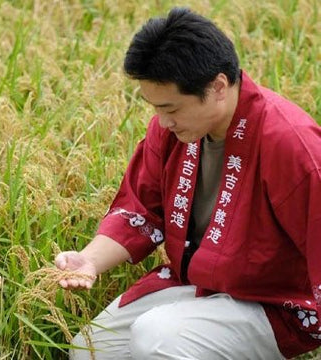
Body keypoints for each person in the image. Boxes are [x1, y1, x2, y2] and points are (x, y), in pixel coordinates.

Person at [54, 7, 321, 360]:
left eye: (172, 108)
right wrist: (89, 260)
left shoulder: (290, 141)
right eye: (155, 108)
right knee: (92, 349)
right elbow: (139, 210)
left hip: (274, 304)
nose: (163, 122)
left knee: (157, 340)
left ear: (218, 87)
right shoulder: (173, 132)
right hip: (199, 285)